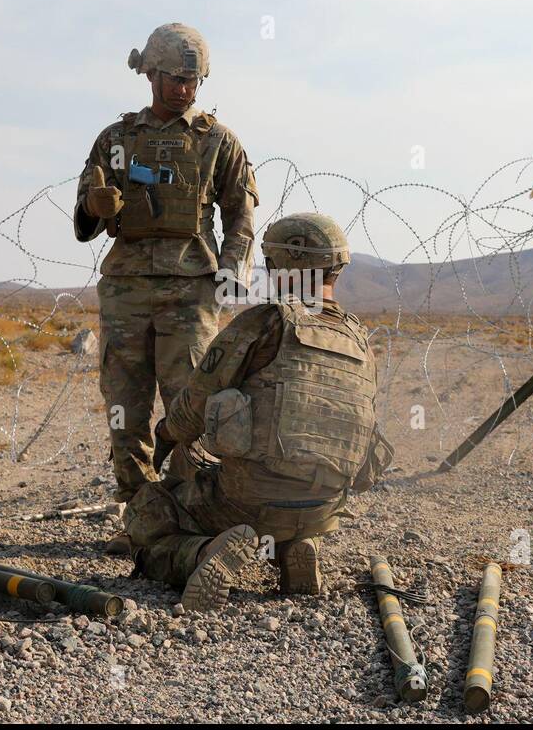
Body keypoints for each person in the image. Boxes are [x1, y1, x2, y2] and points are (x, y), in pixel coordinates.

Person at [124, 213, 394, 611]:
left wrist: (166, 436)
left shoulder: (266, 322)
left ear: (279, 264)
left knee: (147, 515)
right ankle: (294, 548)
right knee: (284, 507)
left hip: (247, 499)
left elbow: (194, 406)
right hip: (325, 507)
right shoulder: (359, 339)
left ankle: (202, 554)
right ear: (338, 267)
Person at [73, 23, 259, 534]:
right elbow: (84, 224)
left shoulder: (218, 142)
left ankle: (191, 520)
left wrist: (231, 271)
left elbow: (240, 214)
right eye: (175, 77)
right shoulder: (115, 141)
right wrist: (92, 207)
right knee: (125, 410)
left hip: (190, 294)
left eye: (193, 80)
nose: (184, 89)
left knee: (189, 408)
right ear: (150, 74)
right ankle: (141, 523)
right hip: (127, 291)